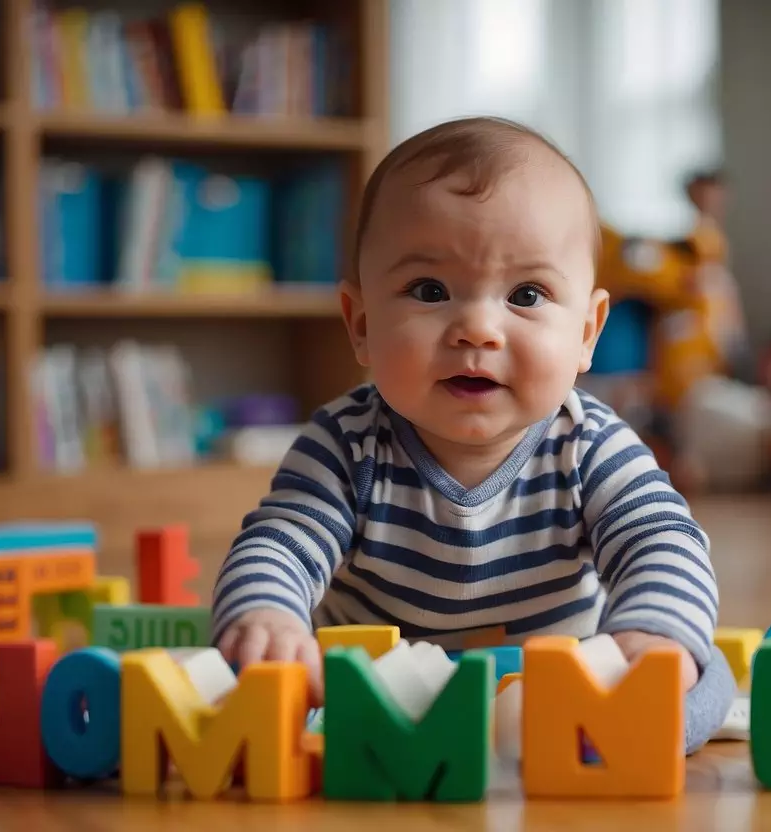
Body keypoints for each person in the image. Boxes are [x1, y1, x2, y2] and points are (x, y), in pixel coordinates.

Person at [210, 116, 735, 751]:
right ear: (363, 324)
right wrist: (267, 618)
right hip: (376, 701)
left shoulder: (590, 445)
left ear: (588, 332)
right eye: (429, 290)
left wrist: (653, 634)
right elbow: (282, 543)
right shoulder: (346, 444)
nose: (478, 329)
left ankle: (624, 719)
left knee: (701, 670)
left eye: (527, 294)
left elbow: (660, 538)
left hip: (547, 703)